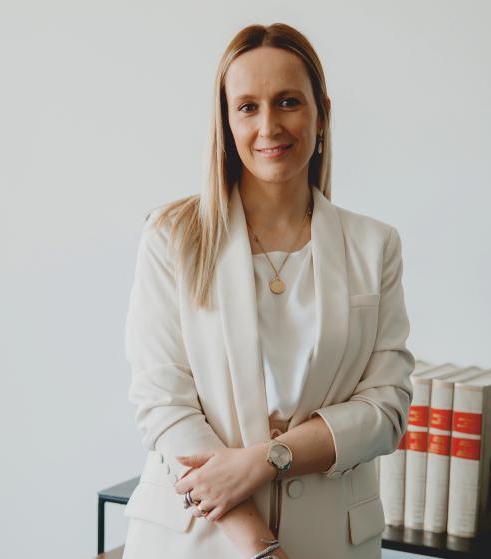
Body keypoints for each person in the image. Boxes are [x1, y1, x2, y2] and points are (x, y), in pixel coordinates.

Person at [121, 22, 414, 559]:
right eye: (247, 107)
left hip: (332, 542)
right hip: (200, 540)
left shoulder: (376, 246)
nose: (269, 126)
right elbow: (164, 405)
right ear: (226, 121)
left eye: (287, 102)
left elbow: (386, 408)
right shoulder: (171, 237)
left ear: (321, 114)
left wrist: (269, 458)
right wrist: (261, 550)